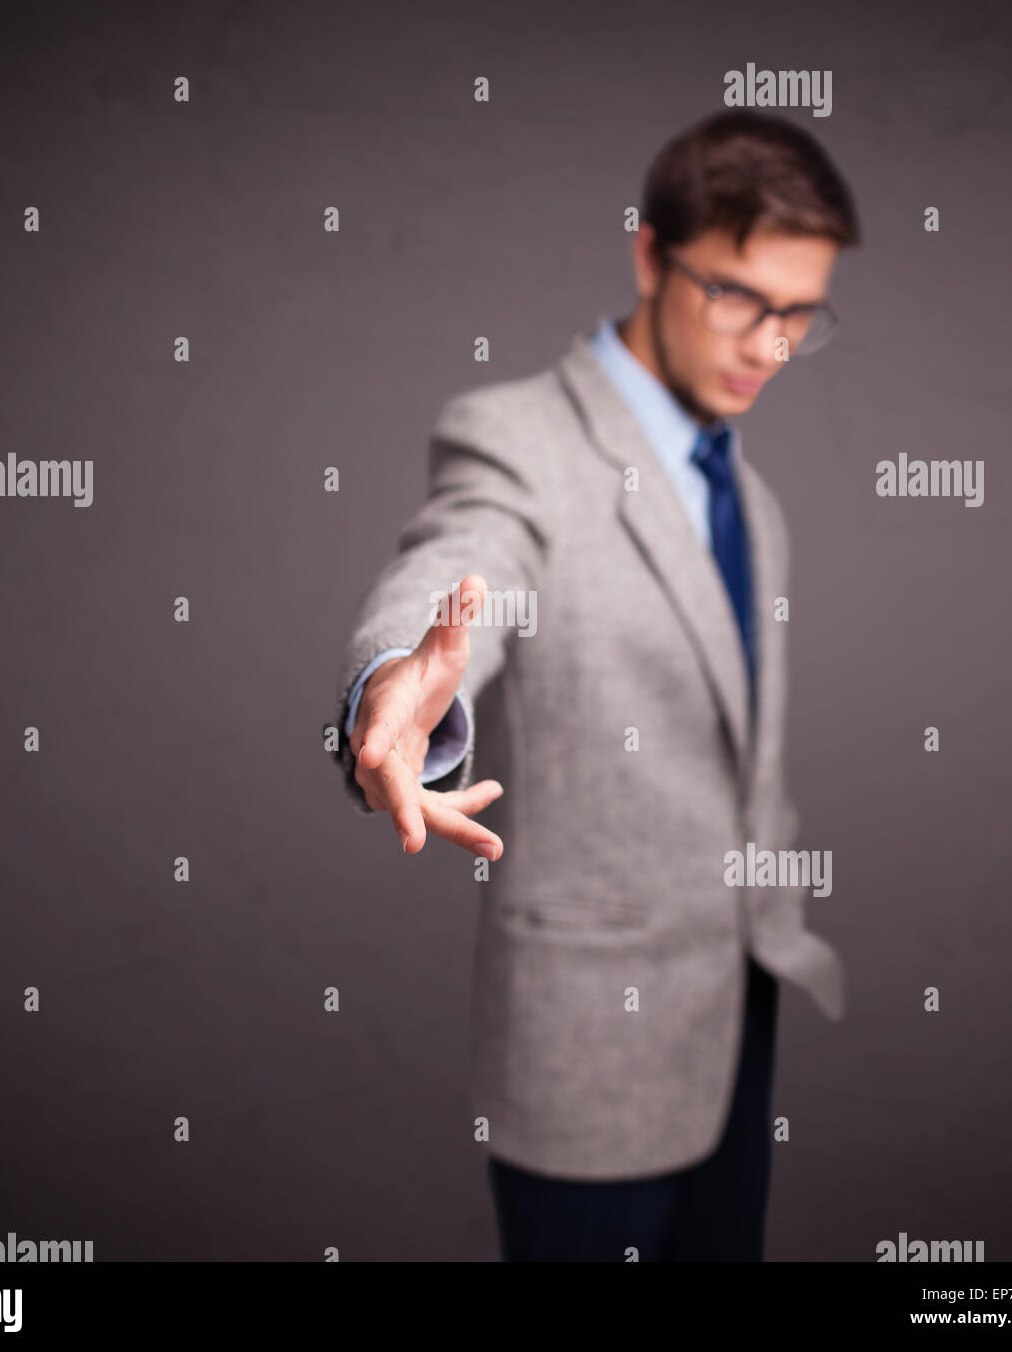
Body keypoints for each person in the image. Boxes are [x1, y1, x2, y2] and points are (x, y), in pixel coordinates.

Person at [330, 109, 860, 1261]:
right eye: (736, 296)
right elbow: (469, 556)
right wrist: (400, 686)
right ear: (648, 255)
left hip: (737, 1015)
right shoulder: (517, 437)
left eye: (798, 313)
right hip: (588, 1052)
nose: (768, 345)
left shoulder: (749, 499)